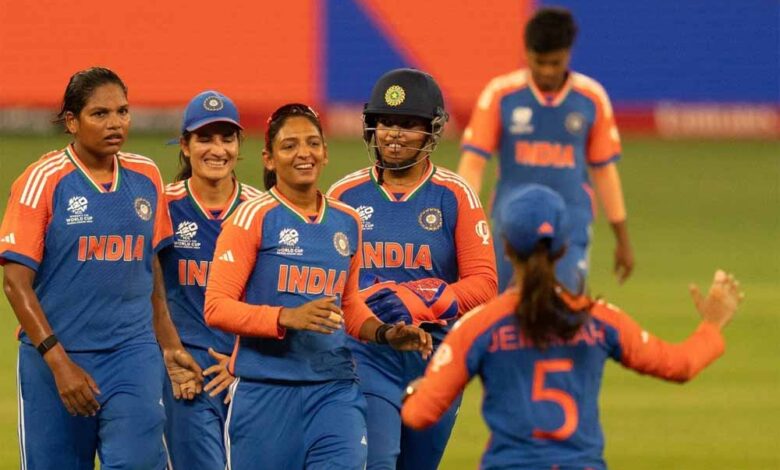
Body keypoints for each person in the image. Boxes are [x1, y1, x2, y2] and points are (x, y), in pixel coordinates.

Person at [401, 184, 743, 470]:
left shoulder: (479, 326)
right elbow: (679, 365)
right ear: (564, 247)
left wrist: (416, 391)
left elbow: (419, 415)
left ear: (505, 247)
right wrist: (712, 325)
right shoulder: (599, 319)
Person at [203, 103, 433, 470]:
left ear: (325, 153)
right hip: (266, 393)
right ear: (268, 159)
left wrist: (387, 333)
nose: (303, 153)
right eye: (289, 145)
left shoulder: (347, 221)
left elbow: (349, 306)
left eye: (312, 143)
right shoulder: (252, 217)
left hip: (335, 391)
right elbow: (217, 307)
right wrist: (286, 317)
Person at [0, 66, 202, 469]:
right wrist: (59, 363)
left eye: (122, 111)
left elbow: (150, 270)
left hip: (132, 355)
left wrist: (169, 345)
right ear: (72, 121)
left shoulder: (146, 175)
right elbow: (14, 282)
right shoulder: (43, 180)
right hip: (57, 358)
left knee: (137, 461)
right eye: (100, 114)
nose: (115, 123)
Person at [327, 68, 498, 469]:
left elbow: (484, 283)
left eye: (408, 124)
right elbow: (326, 281)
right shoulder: (344, 195)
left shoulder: (454, 195)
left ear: (431, 131)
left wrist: (417, 300)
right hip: (368, 353)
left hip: (436, 359)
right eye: (386, 122)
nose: (394, 134)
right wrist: (368, 300)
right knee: (378, 462)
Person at [457, 7, 634, 294]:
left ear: (568, 54)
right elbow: (473, 162)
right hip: (510, 223)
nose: (547, 71)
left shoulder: (591, 98)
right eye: (540, 62)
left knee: (565, 305)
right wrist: (463, 222)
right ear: (526, 53)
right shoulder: (502, 94)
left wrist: (622, 239)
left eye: (556, 62)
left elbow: (604, 170)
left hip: (570, 222)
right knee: (497, 306)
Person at [158, 90, 263, 469]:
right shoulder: (163, 206)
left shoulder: (260, 210)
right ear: (185, 146)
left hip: (249, 370)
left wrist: (242, 363)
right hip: (188, 372)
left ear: (238, 145)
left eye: (226, 138)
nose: (217, 149)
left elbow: (272, 297)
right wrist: (170, 357)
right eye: (204, 138)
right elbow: (143, 291)